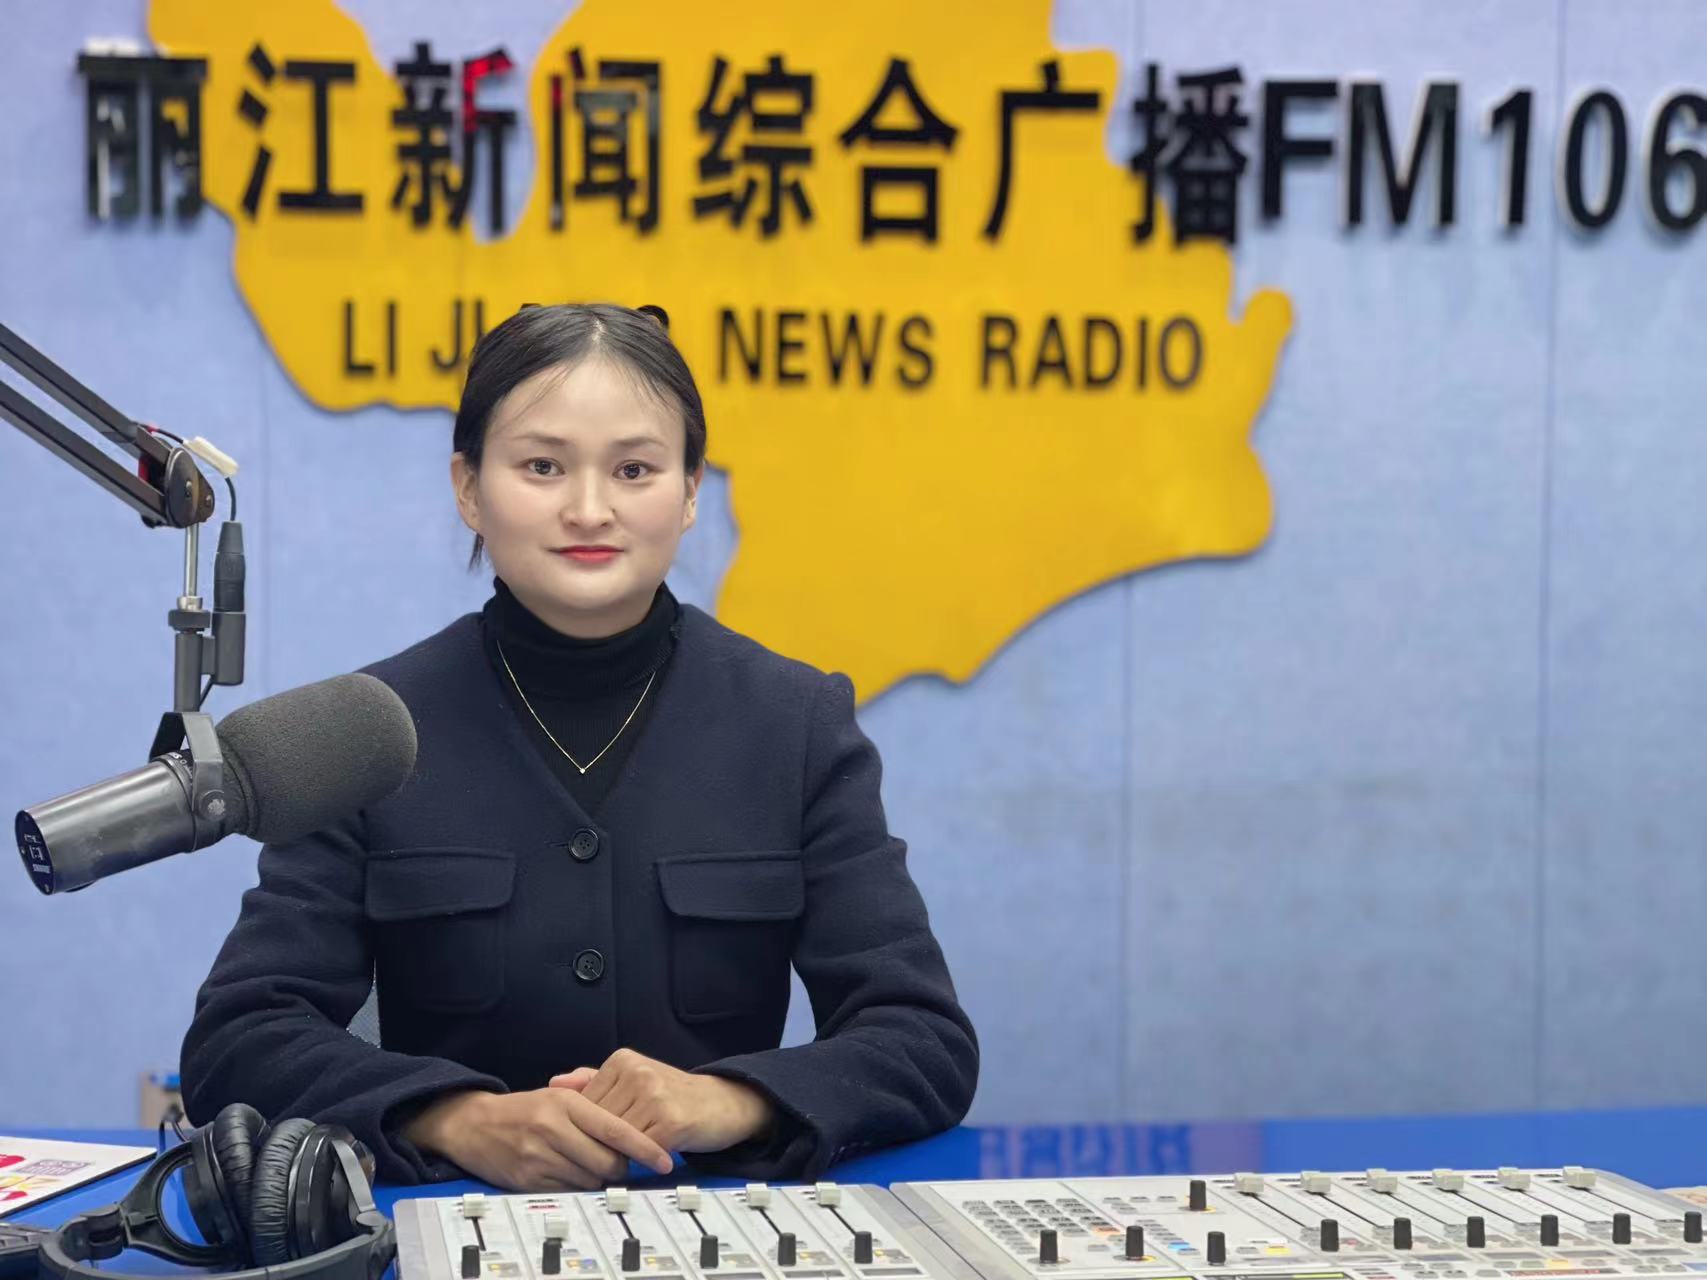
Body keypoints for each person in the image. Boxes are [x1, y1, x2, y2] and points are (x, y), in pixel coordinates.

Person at [179, 302, 978, 1190]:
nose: (589, 510)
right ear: (468, 487)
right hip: (449, 1224)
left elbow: (922, 1041)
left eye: (634, 469)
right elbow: (239, 1041)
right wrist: (457, 1119)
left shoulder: (795, 723)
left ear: (689, 491)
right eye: (542, 466)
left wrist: (728, 1100)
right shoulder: (369, 731)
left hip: (714, 1226)